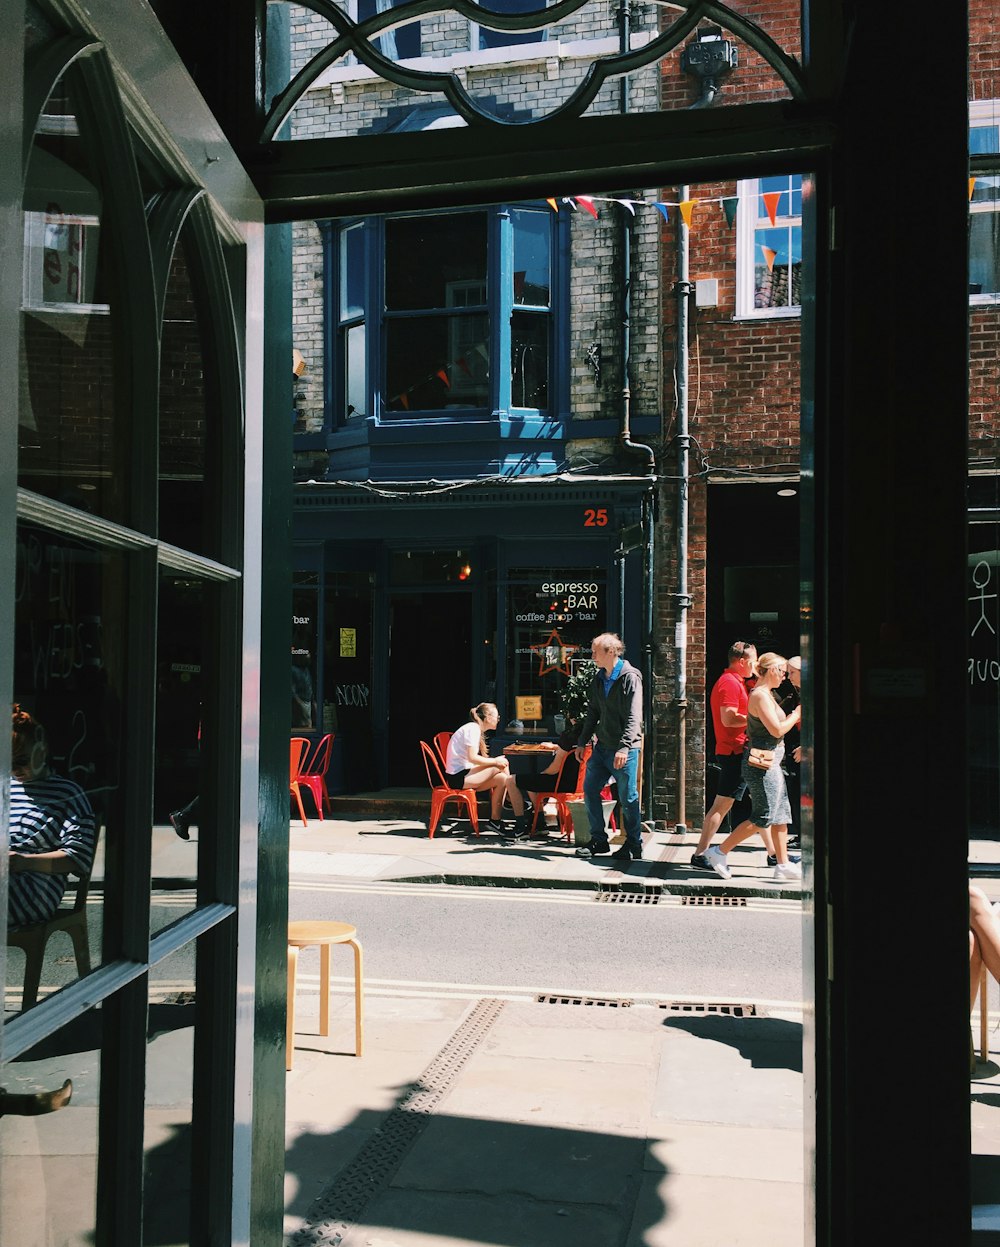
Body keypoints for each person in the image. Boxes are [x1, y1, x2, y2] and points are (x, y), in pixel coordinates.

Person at [704, 652, 802, 882]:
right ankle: (718, 852)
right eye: (781, 671)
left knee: (781, 816)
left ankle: (783, 864)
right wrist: (796, 715)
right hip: (762, 766)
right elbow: (777, 730)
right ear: (768, 671)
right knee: (763, 816)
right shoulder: (759, 695)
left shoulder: (767, 693)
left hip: (773, 762)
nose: (784, 676)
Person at [8, 704, 97, 929]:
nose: (14, 769)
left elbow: (77, 859)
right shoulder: (4, 788)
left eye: (21, 760)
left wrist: (22, 862)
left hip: (34, 889)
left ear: (43, 750)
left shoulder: (67, 794)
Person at [691, 641, 773, 869]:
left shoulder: (739, 682)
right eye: (754, 661)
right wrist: (757, 719)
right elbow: (728, 718)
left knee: (761, 802)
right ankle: (700, 854)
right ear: (742, 662)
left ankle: (774, 853)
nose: (756, 665)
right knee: (722, 806)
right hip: (734, 752)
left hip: (741, 751)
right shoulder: (729, 683)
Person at [573, 633, 644, 864]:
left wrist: (624, 748)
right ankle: (599, 840)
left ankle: (634, 844)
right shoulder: (599, 678)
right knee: (590, 790)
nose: (592, 656)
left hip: (624, 750)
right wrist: (582, 741)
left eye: (596, 651)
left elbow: (634, 716)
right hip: (602, 747)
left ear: (611, 652)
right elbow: (593, 711)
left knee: (628, 797)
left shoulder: (629, 677)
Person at [444, 703, 530, 838]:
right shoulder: (473, 729)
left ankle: (495, 820)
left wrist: (496, 761)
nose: (498, 719)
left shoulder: (474, 728)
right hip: (458, 777)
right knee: (501, 765)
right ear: (488, 717)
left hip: (465, 773)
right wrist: (495, 761)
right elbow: (472, 758)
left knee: (502, 778)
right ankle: (508, 799)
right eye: (497, 716)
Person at [516, 723, 581, 838]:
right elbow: (570, 749)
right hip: (578, 785)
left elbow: (554, 769)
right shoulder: (588, 738)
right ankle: (539, 823)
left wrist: (541, 774)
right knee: (532, 782)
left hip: (560, 784)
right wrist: (557, 747)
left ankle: (521, 827)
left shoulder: (568, 736)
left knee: (511, 780)